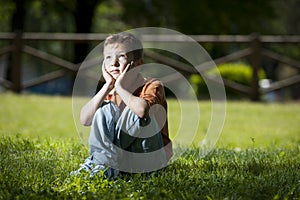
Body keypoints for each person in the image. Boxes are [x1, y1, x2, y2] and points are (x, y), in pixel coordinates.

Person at [71, 32, 173, 178]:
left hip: (150, 160)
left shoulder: (152, 85)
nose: (114, 63)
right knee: (104, 110)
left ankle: (104, 165)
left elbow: (142, 111)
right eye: (108, 57)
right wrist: (107, 86)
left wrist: (119, 87)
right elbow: (85, 119)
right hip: (121, 161)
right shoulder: (109, 92)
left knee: (139, 110)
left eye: (121, 56)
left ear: (138, 64)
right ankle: (103, 165)